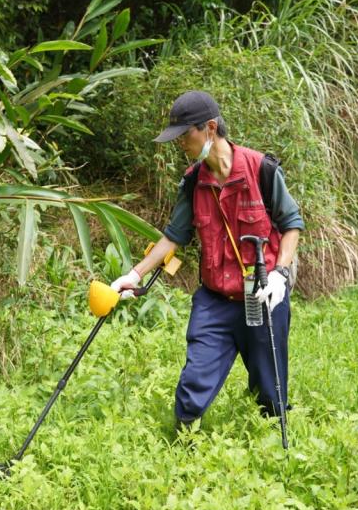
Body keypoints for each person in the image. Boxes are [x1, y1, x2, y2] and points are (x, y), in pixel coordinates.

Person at [110, 90, 305, 429]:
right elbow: (174, 236)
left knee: (271, 392)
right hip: (215, 300)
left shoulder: (262, 170)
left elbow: (292, 225)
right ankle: (184, 442)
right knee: (193, 386)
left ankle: (272, 438)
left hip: (261, 295)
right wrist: (135, 274)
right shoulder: (192, 182)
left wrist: (280, 274)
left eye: (185, 135)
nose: (181, 144)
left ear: (210, 128)